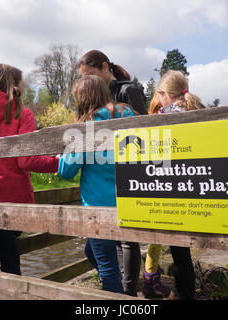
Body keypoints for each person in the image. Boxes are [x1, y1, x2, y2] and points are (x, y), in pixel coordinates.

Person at [0, 64, 59, 275]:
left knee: (4, 239)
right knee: (10, 254)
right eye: (22, 81)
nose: (25, 86)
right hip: (13, 194)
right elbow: (26, 161)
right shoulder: (22, 114)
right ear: (14, 84)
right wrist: (57, 163)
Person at [58, 75, 137, 294]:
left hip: (98, 206)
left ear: (83, 98)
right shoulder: (126, 112)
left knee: (108, 268)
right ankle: (126, 293)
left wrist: (63, 155)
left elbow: (66, 171)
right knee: (92, 253)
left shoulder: (87, 125)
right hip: (129, 202)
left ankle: (119, 296)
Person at [78, 49, 145, 296]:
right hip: (113, 186)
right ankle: (121, 288)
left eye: (90, 75)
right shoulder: (117, 106)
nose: (87, 80)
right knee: (98, 251)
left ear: (104, 68)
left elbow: (144, 133)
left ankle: (124, 291)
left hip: (117, 188)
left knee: (124, 244)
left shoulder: (128, 93)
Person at [143, 70, 205, 300]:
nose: (158, 99)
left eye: (159, 94)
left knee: (176, 250)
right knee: (182, 254)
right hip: (192, 187)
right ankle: (183, 294)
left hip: (168, 190)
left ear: (165, 94)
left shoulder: (164, 116)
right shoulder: (196, 112)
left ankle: (159, 286)